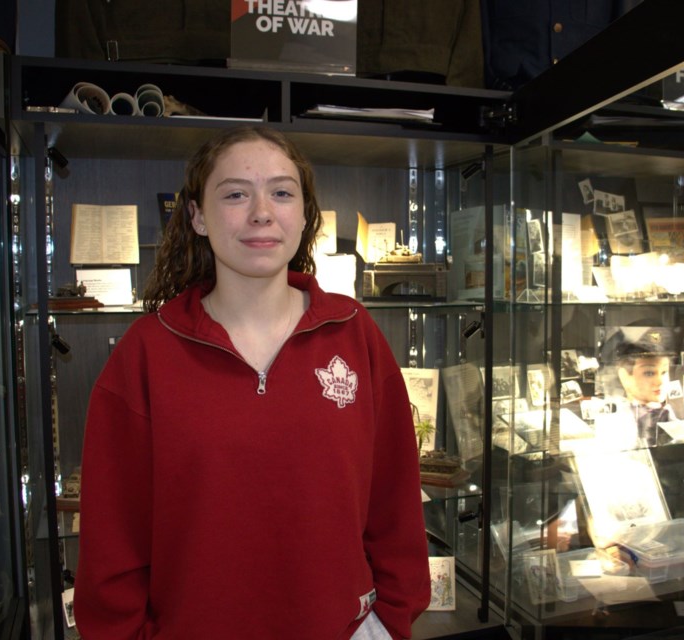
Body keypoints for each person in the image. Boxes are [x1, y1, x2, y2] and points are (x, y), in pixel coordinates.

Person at [74, 125, 431, 639]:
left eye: (282, 192)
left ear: (304, 214)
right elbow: (113, 534)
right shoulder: (147, 353)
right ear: (197, 216)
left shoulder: (355, 335)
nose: (262, 211)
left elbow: (395, 498)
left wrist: (388, 619)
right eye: (236, 194)